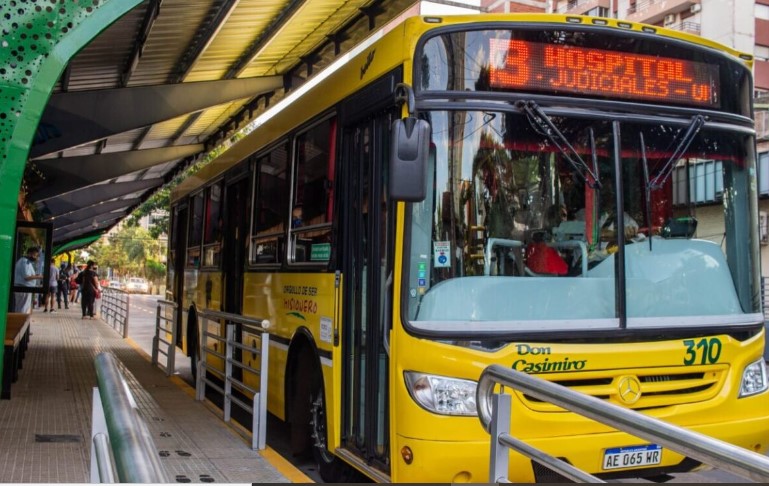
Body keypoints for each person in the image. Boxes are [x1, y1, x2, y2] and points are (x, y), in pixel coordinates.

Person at [13, 247, 43, 313]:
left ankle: (20, 321)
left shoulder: (27, 262)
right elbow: (26, 277)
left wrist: (36, 276)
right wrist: (38, 277)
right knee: (23, 308)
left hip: (24, 288)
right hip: (23, 288)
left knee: (21, 307)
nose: (35, 257)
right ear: (29, 254)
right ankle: (21, 321)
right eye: (34, 255)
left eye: (36, 255)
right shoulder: (25, 261)